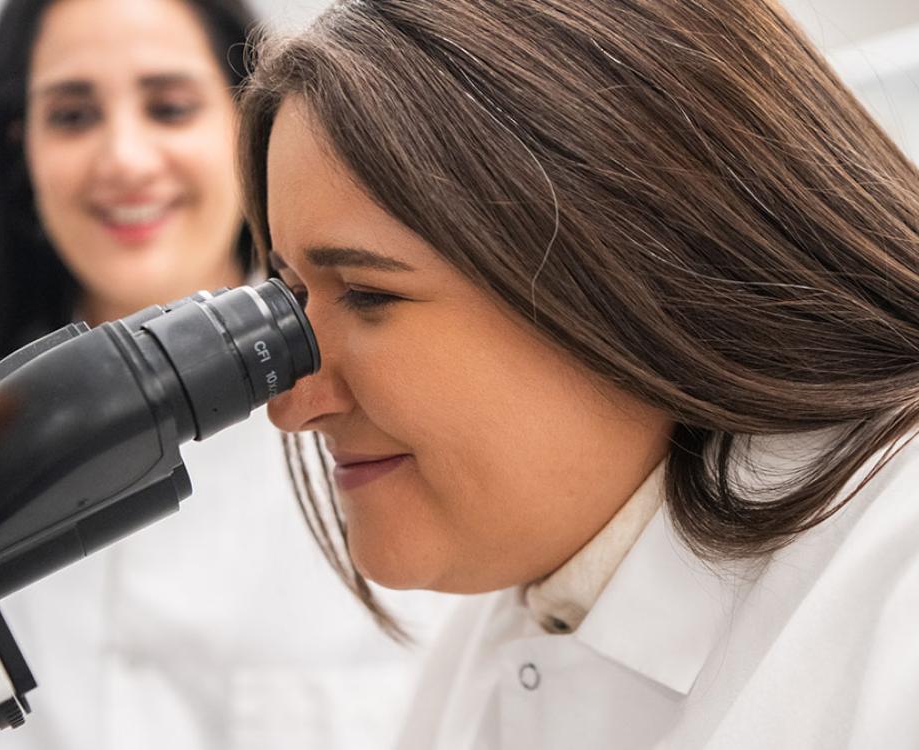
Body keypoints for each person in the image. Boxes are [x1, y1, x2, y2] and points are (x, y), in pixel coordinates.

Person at [236, 0, 919, 747]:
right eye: (294, 295)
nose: (292, 404)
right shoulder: (507, 626)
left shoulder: (896, 593)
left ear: (637, 265)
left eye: (367, 294)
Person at [0, 1, 447, 748]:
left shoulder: (382, 433)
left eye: (168, 107)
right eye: (73, 116)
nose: (125, 160)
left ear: (247, 131)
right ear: (22, 148)